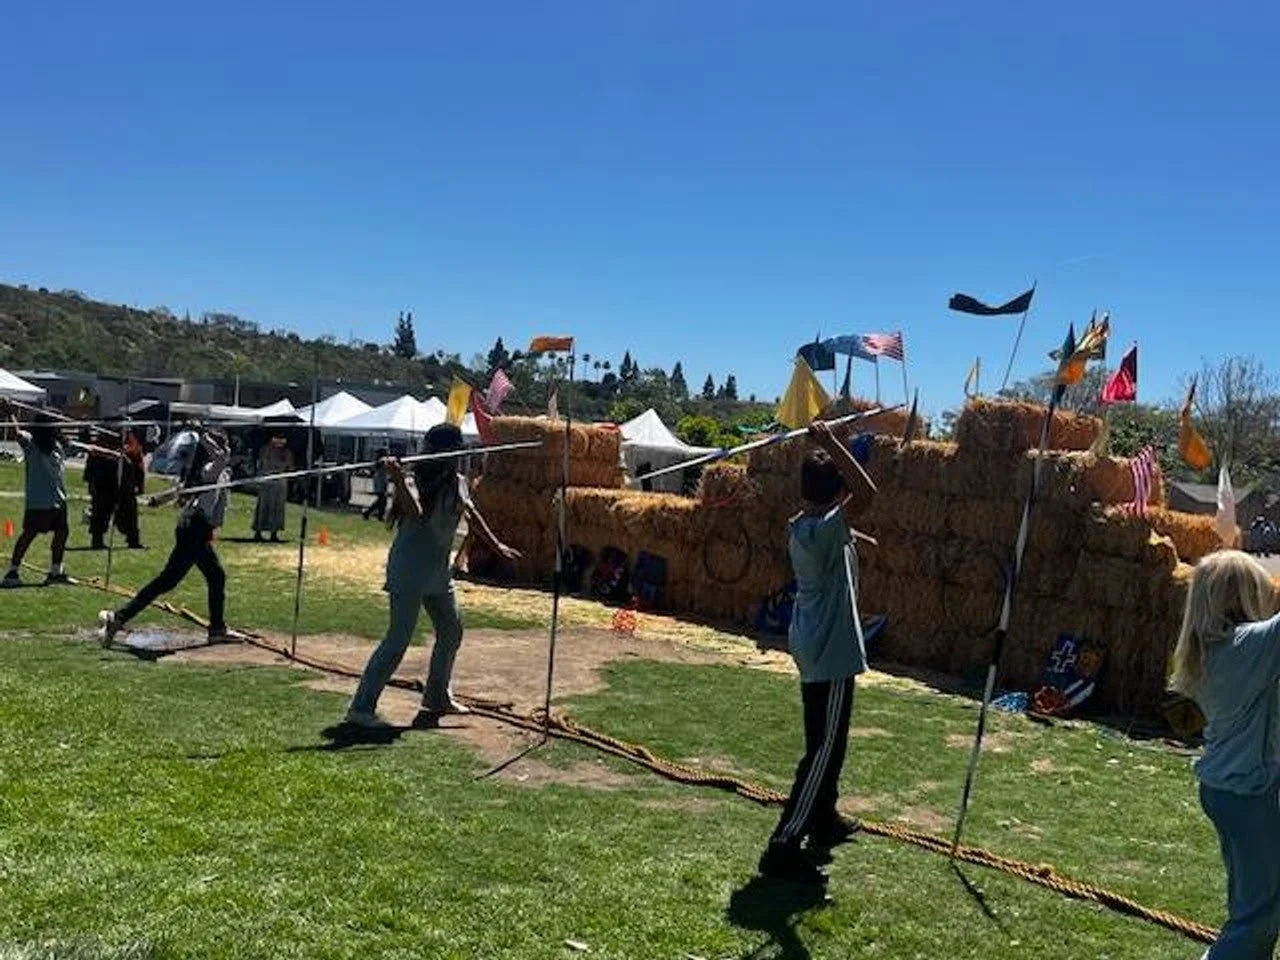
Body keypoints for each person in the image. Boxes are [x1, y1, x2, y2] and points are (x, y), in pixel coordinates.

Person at [345, 424, 520, 729]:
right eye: (455, 449)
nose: (460, 456)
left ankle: (437, 697)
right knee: (398, 640)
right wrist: (397, 477)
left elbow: (471, 515)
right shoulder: (415, 479)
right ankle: (361, 708)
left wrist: (497, 545)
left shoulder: (459, 482)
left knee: (451, 631)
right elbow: (417, 513)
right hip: (410, 569)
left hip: (438, 572)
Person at [757, 419, 872, 884]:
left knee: (830, 742)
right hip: (830, 649)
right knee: (823, 749)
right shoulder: (825, 529)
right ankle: (783, 845)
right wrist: (832, 443)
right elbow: (869, 494)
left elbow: (835, 513)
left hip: (813, 642)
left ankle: (824, 816)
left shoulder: (803, 526)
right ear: (838, 493)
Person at [1170, 550, 1280, 959]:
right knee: (1258, 917)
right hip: (1247, 793)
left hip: (1224, 789)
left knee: (1250, 904)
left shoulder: (1210, 651)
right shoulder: (1247, 646)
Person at [98, 428, 232, 645]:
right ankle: (118, 617)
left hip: (196, 529)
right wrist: (205, 435)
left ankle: (217, 628)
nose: (226, 448)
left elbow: (181, 491)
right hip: (193, 529)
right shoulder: (210, 468)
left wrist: (158, 500)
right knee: (170, 580)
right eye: (223, 443)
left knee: (212, 577)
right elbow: (222, 457)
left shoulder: (206, 470)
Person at [2, 412, 69, 588]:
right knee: (29, 534)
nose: (57, 427)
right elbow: (18, 434)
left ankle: (56, 572)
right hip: (40, 500)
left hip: (59, 498)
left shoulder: (56, 444)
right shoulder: (32, 443)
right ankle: (12, 572)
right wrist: (11, 413)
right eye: (54, 424)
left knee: (62, 533)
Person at [84, 429, 144, 551]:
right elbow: (92, 462)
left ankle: (133, 540)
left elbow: (138, 462)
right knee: (100, 511)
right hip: (103, 482)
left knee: (129, 511)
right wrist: (91, 482)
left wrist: (139, 484)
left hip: (125, 483)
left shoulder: (131, 442)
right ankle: (97, 540)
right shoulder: (101, 442)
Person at [252, 433, 293, 542]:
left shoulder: (286, 452)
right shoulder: (265, 450)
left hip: (280, 481)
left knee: (277, 507)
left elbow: (289, 466)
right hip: (267, 479)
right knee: (263, 506)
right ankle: (258, 531)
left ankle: (274, 533)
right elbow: (262, 462)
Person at [362, 448, 389, 521]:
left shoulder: (383, 460)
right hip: (380, 480)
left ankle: (377, 514)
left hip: (382, 479)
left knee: (382, 500)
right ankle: (369, 513)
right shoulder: (381, 460)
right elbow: (377, 466)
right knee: (382, 499)